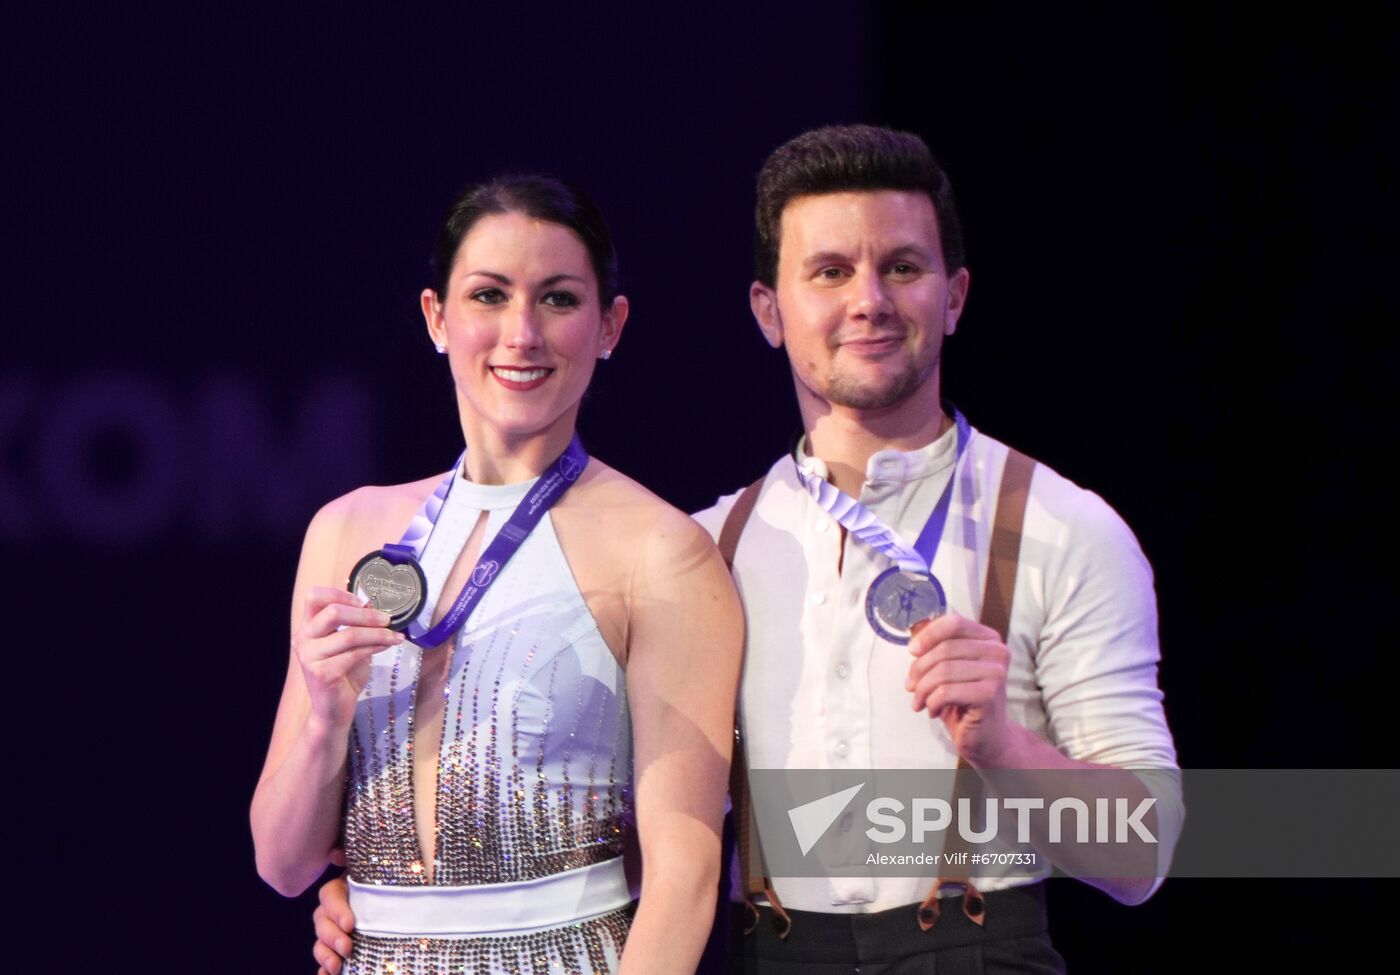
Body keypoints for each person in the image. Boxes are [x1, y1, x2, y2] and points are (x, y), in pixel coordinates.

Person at [311, 126, 1183, 973]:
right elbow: (612, 821)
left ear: (954, 296)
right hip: (769, 952)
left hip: (981, 946)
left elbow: (1144, 854)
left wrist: (1004, 746)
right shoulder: (709, 543)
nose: (868, 300)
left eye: (903, 268)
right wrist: (393, 896)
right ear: (770, 310)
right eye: (830, 272)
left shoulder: (1065, 530)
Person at [251, 174, 742, 975]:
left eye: (557, 299)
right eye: (488, 295)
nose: (521, 333)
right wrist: (325, 721)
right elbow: (282, 861)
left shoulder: (664, 550)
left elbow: (684, 879)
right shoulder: (346, 529)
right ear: (436, 317)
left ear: (610, 326)